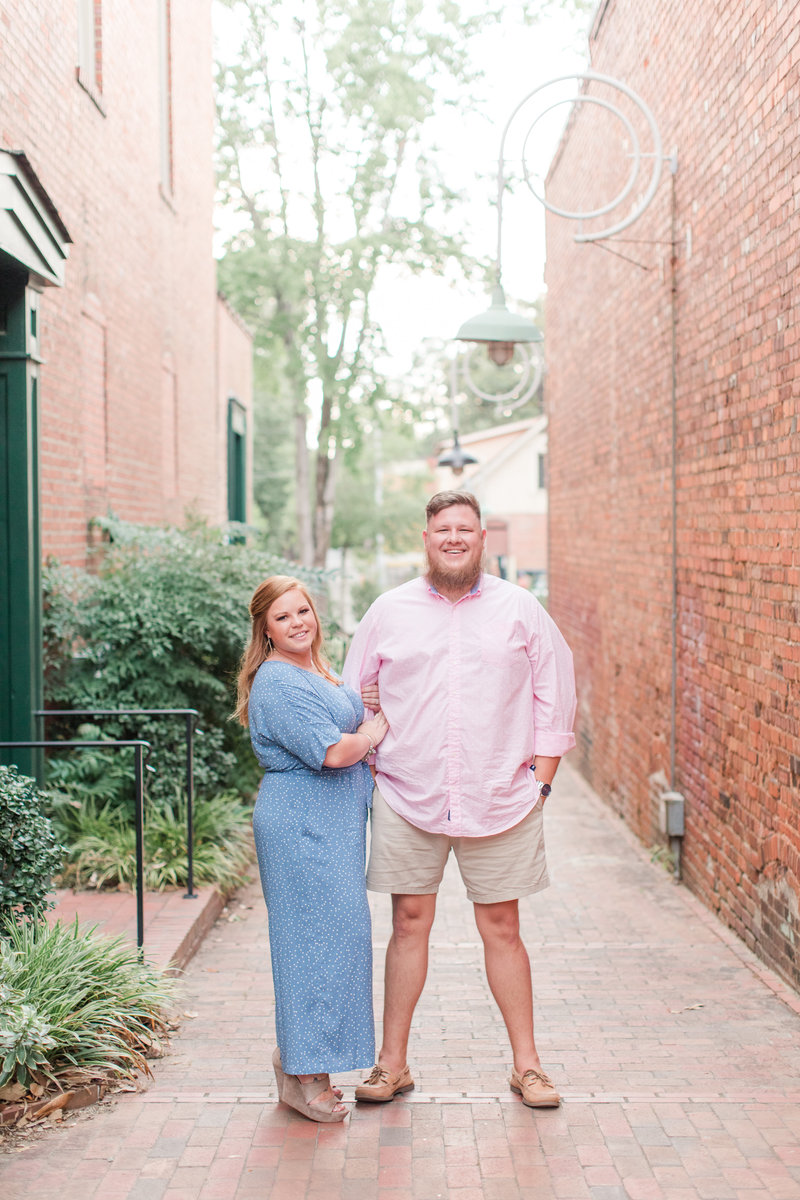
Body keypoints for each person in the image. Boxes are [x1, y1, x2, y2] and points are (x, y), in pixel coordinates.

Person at [343, 491, 576, 1109]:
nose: (453, 538)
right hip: (407, 791)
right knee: (407, 924)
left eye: (465, 529)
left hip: (501, 794)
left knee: (503, 926)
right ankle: (392, 1065)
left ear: (481, 538)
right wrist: (369, 745)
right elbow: (352, 690)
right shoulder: (388, 611)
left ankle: (528, 1066)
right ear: (426, 538)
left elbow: (555, 689)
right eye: (442, 529)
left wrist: (542, 778)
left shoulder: (520, 609)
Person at [234, 575, 389, 1123]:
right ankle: (306, 1074)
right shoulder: (277, 681)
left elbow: (344, 714)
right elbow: (332, 751)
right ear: (266, 630)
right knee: (310, 946)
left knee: (338, 940)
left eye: (303, 611)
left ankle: (296, 1058)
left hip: (332, 830)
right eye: (283, 617)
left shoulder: (315, 668)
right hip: (301, 828)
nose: (298, 622)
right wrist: (372, 732)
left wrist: (361, 707)